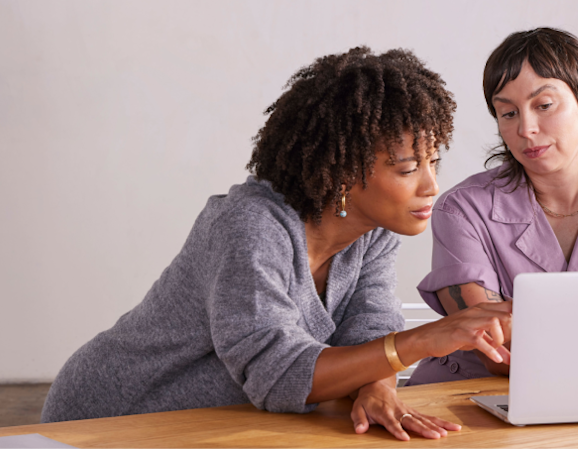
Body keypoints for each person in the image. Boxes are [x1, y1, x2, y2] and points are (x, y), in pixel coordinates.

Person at [41, 47, 513, 441]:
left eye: (433, 161)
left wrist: (378, 387)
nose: (431, 185)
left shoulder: (373, 234)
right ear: (345, 170)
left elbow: (369, 333)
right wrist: (424, 341)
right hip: (114, 417)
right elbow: (280, 375)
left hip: (212, 426)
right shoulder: (249, 225)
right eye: (408, 169)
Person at [407, 28, 578, 386]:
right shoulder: (463, 210)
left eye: (544, 105)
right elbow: (497, 354)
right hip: (467, 403)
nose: (526, 129)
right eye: (507, 113)